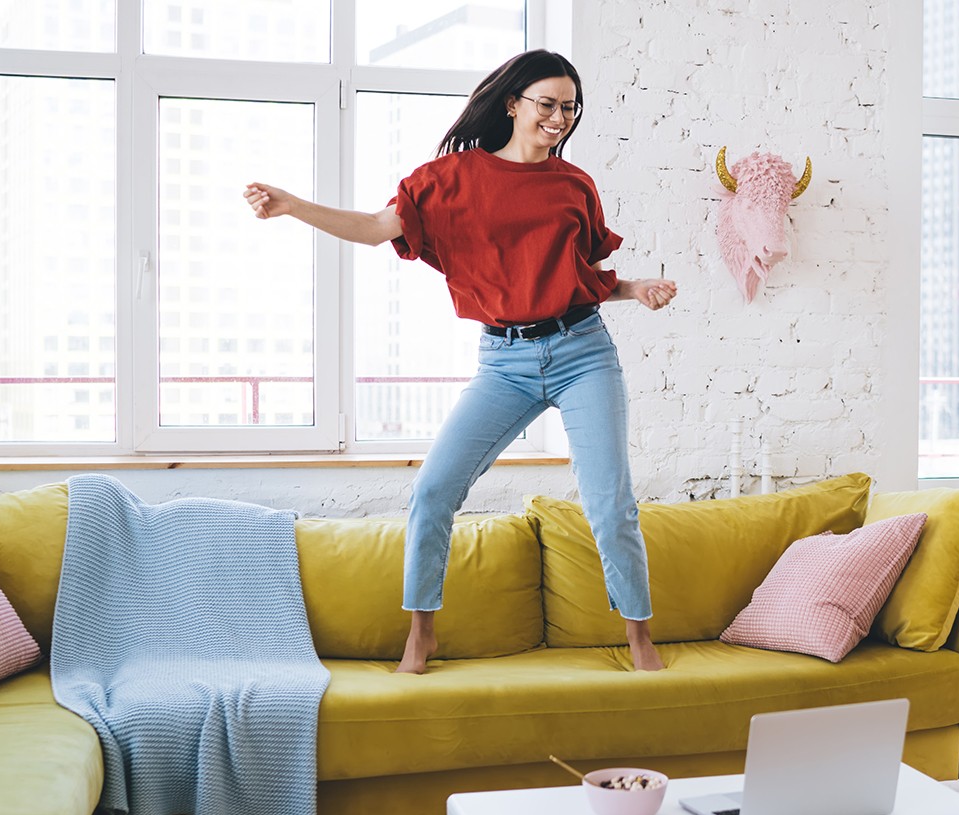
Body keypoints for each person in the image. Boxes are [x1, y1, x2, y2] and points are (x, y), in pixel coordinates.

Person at [244, 50, 674, 674]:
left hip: (584, 352)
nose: (559, 118)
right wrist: (293, 206)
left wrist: (633, 288)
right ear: (512, 103)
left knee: (611, 501)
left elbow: (579, 278)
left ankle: (639, 638)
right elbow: (372, 227)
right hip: (504, 362)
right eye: (547, 104)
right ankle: (421, 632)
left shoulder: (574, 185)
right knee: (434, 489)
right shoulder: (448, 180)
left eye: (569, 107)